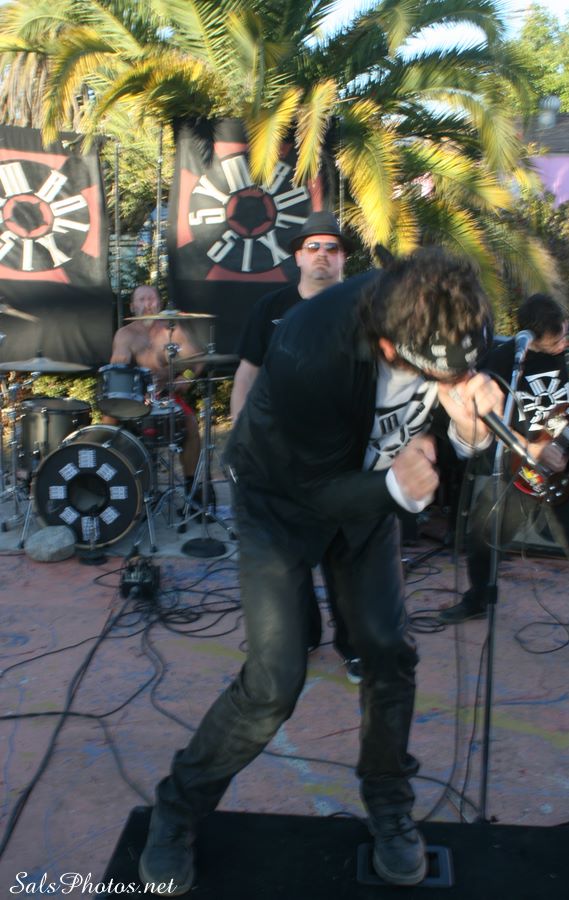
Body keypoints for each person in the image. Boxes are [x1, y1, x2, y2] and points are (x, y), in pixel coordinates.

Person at [138, 247, 502, 894]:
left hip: (370, 495)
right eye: (429, 374)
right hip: (281, 497)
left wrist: (468, 432)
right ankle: (177, 808)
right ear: (387, 346)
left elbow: (449, 438)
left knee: (388, 650)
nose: (442, 382)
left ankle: (388, 802)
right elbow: (316, 490)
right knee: (274, 682)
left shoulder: (458, 318)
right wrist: (397, 486)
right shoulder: (310, 344)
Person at [230, 210, 360, 677]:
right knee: (288, 557)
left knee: (345, 558)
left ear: (343, 259)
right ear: (298, 257)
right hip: (279, 456)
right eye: (313, 247)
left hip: (344, 458)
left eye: (332, 248)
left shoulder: (363, 308)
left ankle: (354, 646)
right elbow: (247, 374)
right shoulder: (271, 308)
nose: (322, 255)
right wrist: (241, 439)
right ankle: (302, 636)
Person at [438, 292, 569, 644]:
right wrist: (530, 449)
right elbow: (487, 416)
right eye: (552, 342)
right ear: (529, 339)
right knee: (482, 533)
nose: (562, 343)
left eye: (563, 332)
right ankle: (478, 598)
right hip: (520, 466)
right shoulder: (504, 359)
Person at [107, 285, 203, 500]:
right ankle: (107, 478)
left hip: (166, 394)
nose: (147, 304)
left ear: (159, 303)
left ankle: (191, 488)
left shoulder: (173, 330)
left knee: (190, 424)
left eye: (151, 299)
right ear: (133, 306)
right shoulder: (125, 334)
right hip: (134, 395)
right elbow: (117, 368)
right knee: (108, 422)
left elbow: (198, 360)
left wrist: (186, 376)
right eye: (141, 300)